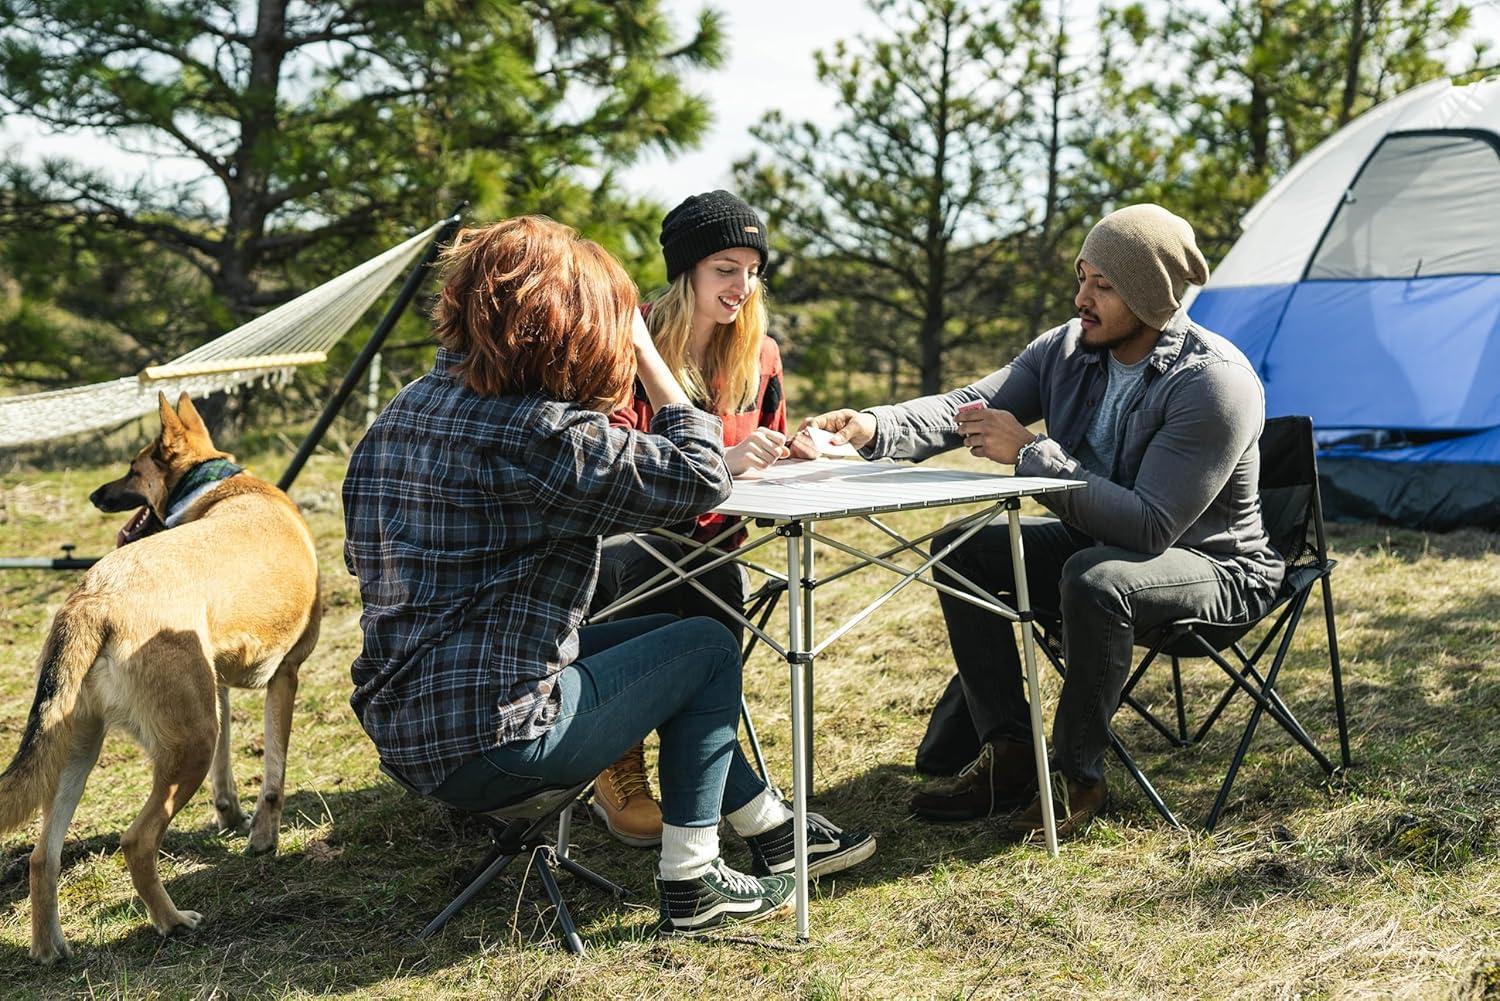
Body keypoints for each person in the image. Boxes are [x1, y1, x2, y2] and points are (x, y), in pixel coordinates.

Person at [342, 216, 864, 936]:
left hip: (402, 719)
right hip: (495, 739)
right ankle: (693, 879)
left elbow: (362, 559)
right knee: (710, 647)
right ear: (562, 326)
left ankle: (770, 829)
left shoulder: (405, 409)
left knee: (672, 636)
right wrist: (648, 353)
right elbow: (700, 475)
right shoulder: (541, 432)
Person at [798, 204, 1284, 839]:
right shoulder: (1067, 348)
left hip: (1216, 568)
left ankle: (1078, 777)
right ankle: (1009, 754)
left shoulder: (1213, 383)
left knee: (1094, 579)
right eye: (1082, 277)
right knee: (962, 548)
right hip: (1098, 542)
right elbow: (968, 405)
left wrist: (1031, 453)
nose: (1082, 298)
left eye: (1103, 285)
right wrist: (872, 426)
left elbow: (1149, 527)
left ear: (1150, 295)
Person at [585, 190, 843, 854]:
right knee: (650, 569)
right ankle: (617, 760)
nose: (742, 286)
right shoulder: (626, 341)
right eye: (726, 269)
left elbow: (766, 445)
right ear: (687, 271)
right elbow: (611, 459)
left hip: (713, 539)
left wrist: (794, 447)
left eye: (752, 271)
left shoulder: (760, 354)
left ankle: (706, 782)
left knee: (716, 579)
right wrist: (718, 461)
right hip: (629, 538)